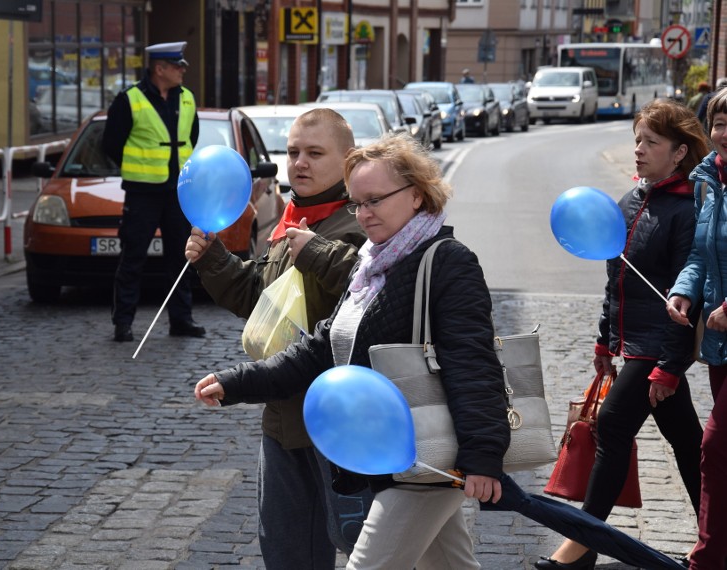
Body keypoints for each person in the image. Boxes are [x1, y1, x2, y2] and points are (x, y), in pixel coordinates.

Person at [194, 132, 511, 570]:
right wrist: (236, 382)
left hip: (429, 452)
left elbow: (473, 362)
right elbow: (319, 350)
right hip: (399, 455)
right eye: (357, 203)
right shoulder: (371, 266)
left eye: (375, 200)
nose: (363, 214)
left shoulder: (448, 262)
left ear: (417, 196)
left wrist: (482, 455)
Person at [185, 107, 368, 568]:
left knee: (364, 548)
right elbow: (260, 299)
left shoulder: (362, 223)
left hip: (340, 423)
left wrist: (315, 251)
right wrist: (213, 258)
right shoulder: (291, 222)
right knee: (287, 551)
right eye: (292, 153)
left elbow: (369, 291)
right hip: (284, 419)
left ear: (347, 160)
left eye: (314, 153)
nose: (299, 163)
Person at [537, 99, 707, 570]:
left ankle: (579, 548)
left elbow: (685, 296)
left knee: (611, 427)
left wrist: (670, 368)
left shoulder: (686, 209)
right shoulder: (630, 201)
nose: (638, 150)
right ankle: (718, 540)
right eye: (637, 140)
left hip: (657, 349)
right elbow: (617, 281)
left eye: (651, 142)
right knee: (689, 446)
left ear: (678, 152)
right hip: (630, 346)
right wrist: (602, 340)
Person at [102, 41, 204, 342]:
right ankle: (123, 323)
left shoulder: (186, 98)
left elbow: (191, 137)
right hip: (142, 193)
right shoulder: (129, 100)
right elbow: (110, 144)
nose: (182, 71)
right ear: (159, 69)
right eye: (177, 66)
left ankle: (181, 320)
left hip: (178, 192)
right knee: (133, 258)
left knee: (181, 257)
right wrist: (138, 168)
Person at [667, 87, 727, 570]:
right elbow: (700, 255)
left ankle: (708, 556)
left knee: (713, 446)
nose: (725, 133)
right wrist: (685, 290)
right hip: (719, 339)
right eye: (719, 122)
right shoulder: (708, 180)